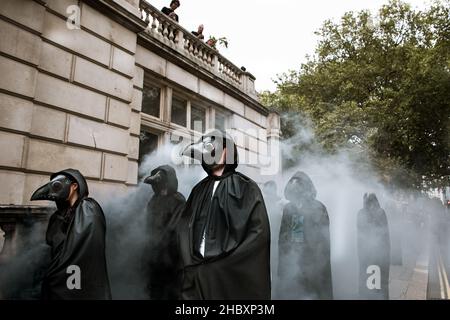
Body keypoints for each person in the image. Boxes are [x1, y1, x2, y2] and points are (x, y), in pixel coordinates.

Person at [178, 129, 271, 300]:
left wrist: (222, 266)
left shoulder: (246, 188)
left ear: (228, 151)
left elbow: (258, 235)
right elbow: (184, 228)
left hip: (229, 278)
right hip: (196, 277)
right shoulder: (198, 190)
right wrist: (190, 264)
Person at [30, 169, 111, 299]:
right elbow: (52, 245)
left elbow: (82, 247)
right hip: (57, 282)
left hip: (77, 279)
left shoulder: (88, 208)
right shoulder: (58, 216)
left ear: (74, 186)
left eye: (57, 185)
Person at [277, 171, 333, 299]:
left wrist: (313, 260)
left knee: (313, 290)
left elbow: (322, 239)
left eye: (298, 189)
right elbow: (284, 236)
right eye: (293, 190)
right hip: (294, 261)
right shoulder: (289, 208)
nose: (296, 193)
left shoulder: (318, 207)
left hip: (313, 260)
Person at [142, 165, 186, 300]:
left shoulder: (178, 200)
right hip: (154, 256)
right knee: (155, 290)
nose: (160, 187)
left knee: (171, 291)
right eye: (157, 184)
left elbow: (175, 228)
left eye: (161, 183)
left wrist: (161, 246)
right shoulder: (153, 201)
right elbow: (149, 225)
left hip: (171, 256)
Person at [357, 193, 390, 300]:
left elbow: (360, 234)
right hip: (379, 253)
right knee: (379, 281)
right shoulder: (380, 212)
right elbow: (385, 234)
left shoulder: (361, 213)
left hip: (368, 253)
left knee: (368, 280)